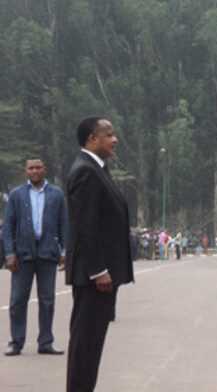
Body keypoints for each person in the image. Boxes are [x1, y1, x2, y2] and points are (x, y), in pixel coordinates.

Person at [65, 117, 134, 392]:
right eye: (109, 134)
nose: (115, 139)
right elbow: (85, 225)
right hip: (94, 276)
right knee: (85, 344)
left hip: (102, 274)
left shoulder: (98, 169)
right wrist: (98, 269)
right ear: (93, 139)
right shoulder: (85, 171)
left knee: (92, 343)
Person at [3, 159, 69, 356]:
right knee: (17, 301)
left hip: (48, 254)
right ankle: (16, 342)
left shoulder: (56, 194)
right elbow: (8, 227)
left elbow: (64, 224)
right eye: (31, 168)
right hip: (22, 255)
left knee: (47, 300)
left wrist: (65, 251)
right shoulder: (16, 195)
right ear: (26, 171)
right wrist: (9, 253)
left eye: (38, 167)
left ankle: (46, 342)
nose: (35, 171)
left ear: (44, 169)